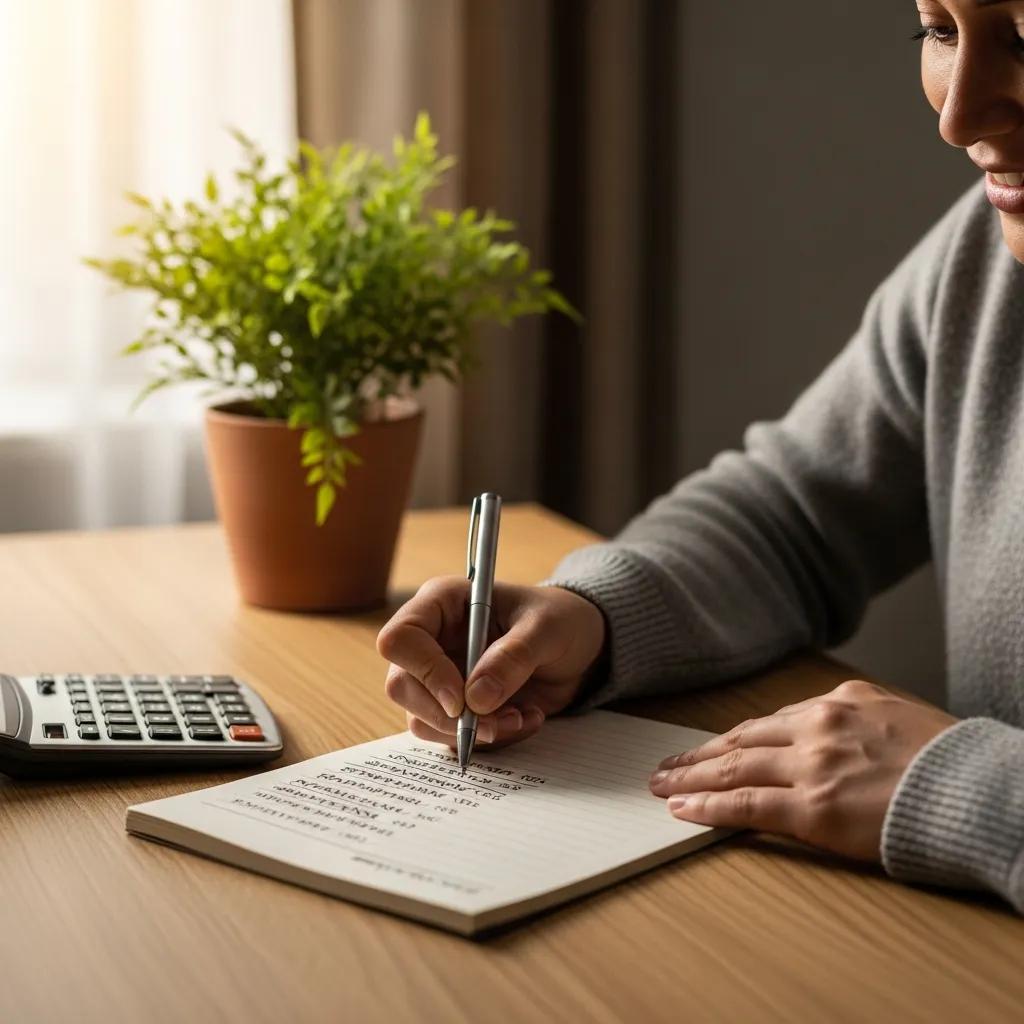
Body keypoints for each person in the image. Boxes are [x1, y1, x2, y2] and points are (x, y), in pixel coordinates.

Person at [377, 0, 1024, 913]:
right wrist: (590, 618)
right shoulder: (984, 265)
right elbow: (792, 513)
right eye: (941, 30)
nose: (960, 116)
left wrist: (976, 791)